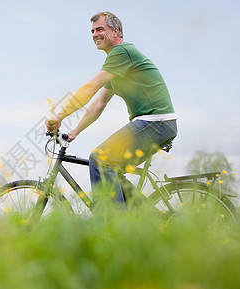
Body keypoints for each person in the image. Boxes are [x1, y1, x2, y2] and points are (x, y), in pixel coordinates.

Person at [45, 11, 177, 206]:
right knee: (112, 170)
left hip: (155, 122)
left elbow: (90, 88)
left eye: (100, 29)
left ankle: (111, 228)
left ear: (116, 32)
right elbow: (98, 104)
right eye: (92, 31)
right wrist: (74, 132)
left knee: (100, 159)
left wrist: (60, 115)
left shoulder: (122, 52)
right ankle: (144, 221)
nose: (95, 34)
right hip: (158, 124)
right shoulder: (117, 64)